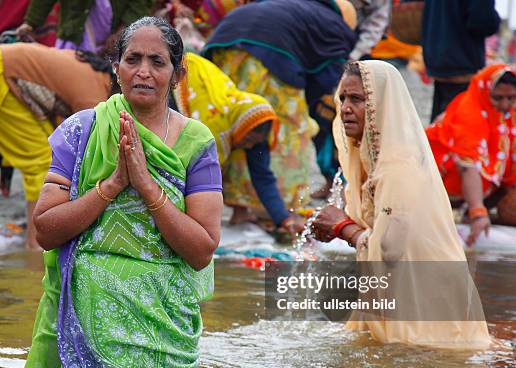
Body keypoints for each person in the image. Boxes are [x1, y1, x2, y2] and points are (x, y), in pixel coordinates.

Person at [19, 17, 222, 368]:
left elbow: (201, 250)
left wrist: (146, 186)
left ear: (178, 73)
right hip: (85, 315)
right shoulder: (82, 131)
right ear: (116, 66)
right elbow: (44, 230)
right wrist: (112, 185)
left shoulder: (197, 142)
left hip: (163, 322)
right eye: (133, 59)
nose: (143, 72)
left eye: (157, 62)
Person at [312, 60, 492, 349]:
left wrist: (343, 227)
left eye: (357, 99)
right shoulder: (371, 161)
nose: (345, 107)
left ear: (382, 107)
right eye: (342, 98)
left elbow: (391, 250)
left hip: (427, 310)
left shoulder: (397, 166)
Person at [203, 0, 357, 223]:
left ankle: (241, 209)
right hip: (269, 57)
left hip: (224, 47)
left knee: (240, 123)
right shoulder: (335, 26)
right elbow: (328, 80)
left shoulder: (300, 9)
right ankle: (284, 210)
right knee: (281, 132)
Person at [0, 43, 113, 249]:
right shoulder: (95, 96)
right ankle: (36, 246)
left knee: (46, 159)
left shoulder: (94, 72)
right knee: (42, 162)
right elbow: (91, 155)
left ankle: (34, 237)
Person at [172, 52, 305, 234]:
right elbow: (199, 177)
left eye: (254, 143)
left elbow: (262, 176)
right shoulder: (212, 128)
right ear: (244, 129)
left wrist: (284, 219)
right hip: (183, 78)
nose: (249, 146)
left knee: (239, 156)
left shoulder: (252, 124)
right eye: (249, 140)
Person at [426, 64, 515, 246]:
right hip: (440, 185)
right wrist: (478, 214)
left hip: (483, 188)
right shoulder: (469, 110)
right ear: (485, 91)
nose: (505, 104)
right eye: (498, 98)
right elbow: (467, 166)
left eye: (511, 98)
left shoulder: (509, 113)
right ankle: (468, 211)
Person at [422, 0, 500, 122]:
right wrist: (495, 20)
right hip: (462, 62)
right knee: (459, 128)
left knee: (439, 130)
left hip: (437, 57)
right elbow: (482, 20)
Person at [16, 0, 154, 53]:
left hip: (109, 45)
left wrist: (122, 33)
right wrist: (30, 23)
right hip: (72, 36)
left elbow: (140, 4)